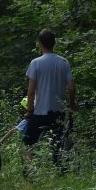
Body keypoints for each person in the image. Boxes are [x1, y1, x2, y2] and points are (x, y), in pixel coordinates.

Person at [23, 29, 77, 168]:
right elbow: (71, 87)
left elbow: (31, 91)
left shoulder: (35, 63)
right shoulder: (64, 62)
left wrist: (29, 110)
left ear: (40, 44)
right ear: (54, 43)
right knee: (57, 142)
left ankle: (32, 171)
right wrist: (71, 104)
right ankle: (59, 168)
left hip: (40, 112)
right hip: (58, 112)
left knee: (27, 142)